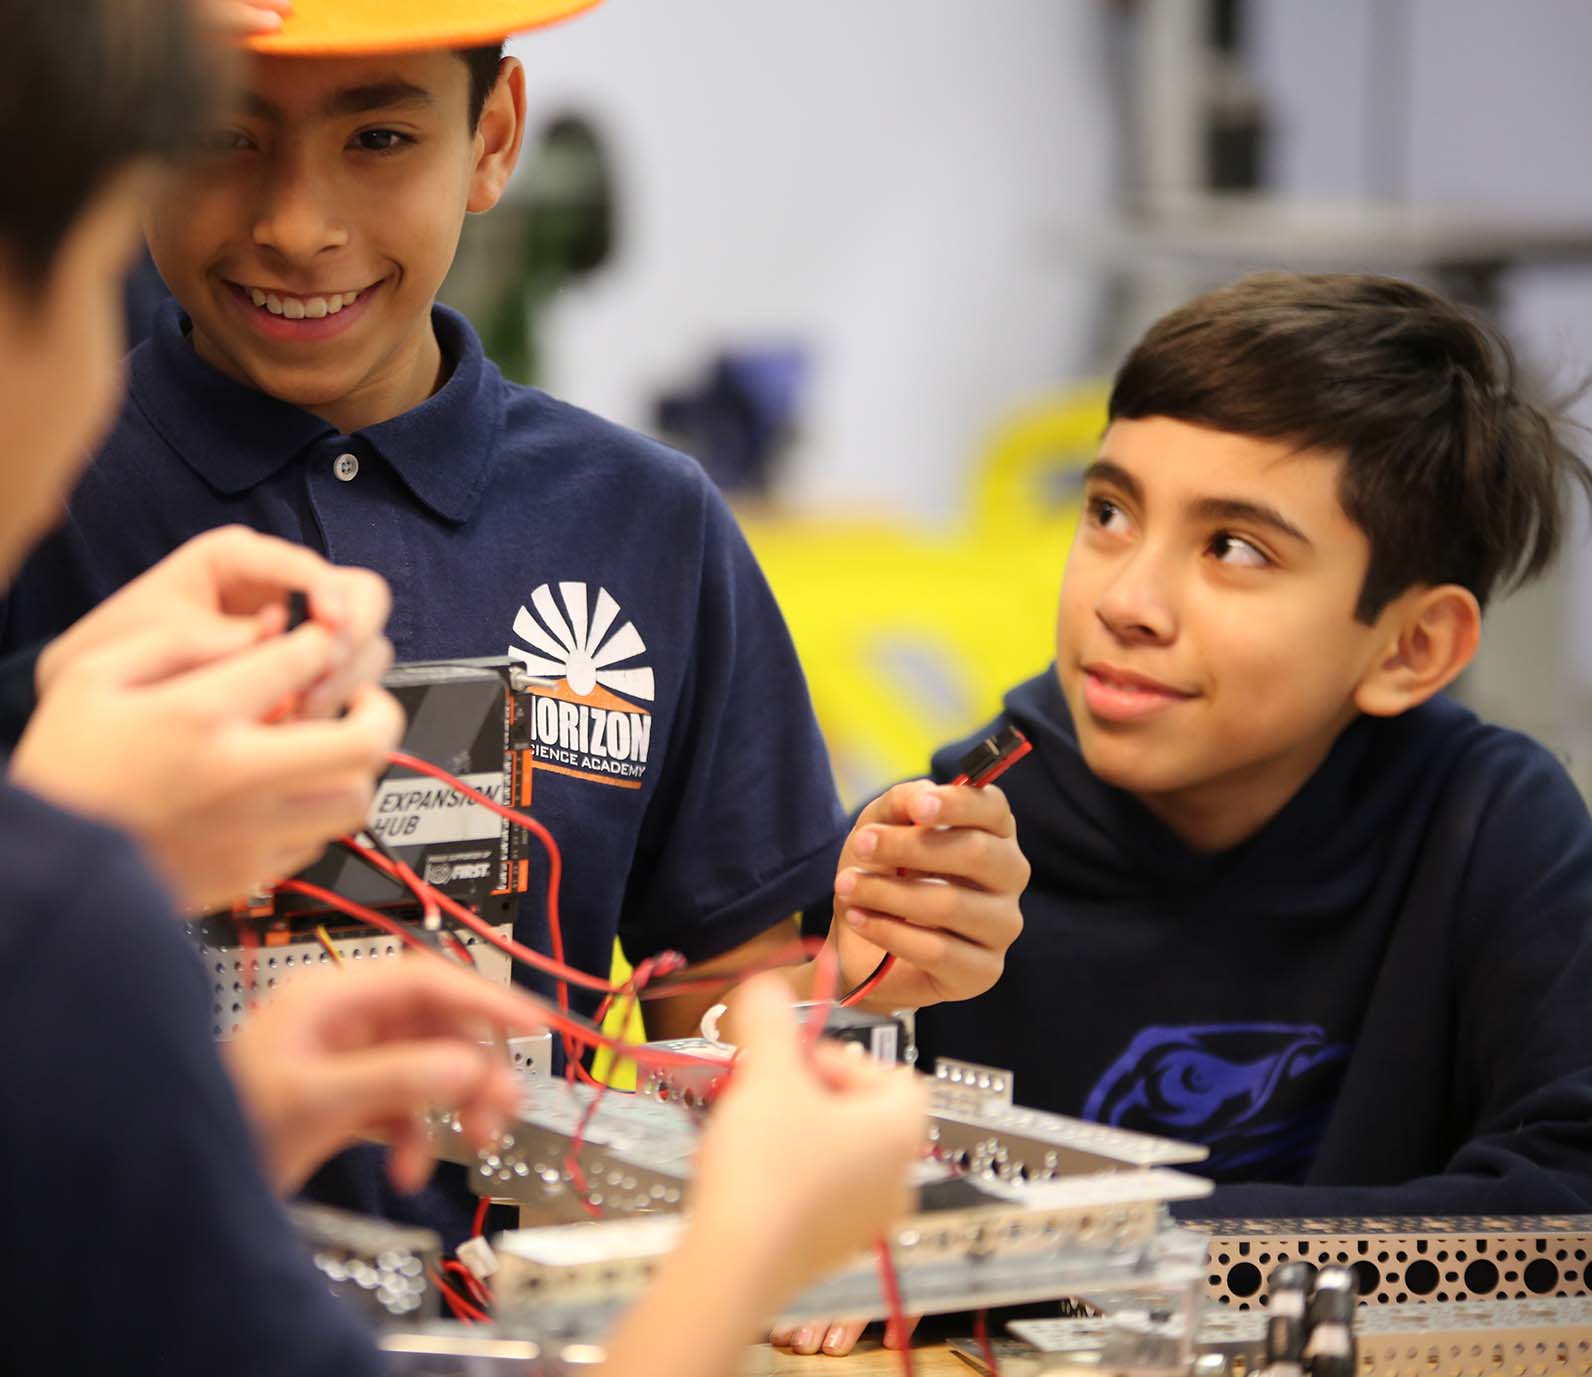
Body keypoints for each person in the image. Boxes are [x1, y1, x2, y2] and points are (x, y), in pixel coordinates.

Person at [0, 0, 1027, 1242]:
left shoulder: (646, 522)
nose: (297, 227)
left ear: (492, 140)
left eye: (378, 140)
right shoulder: (33, 475)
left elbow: (721, 1003)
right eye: (222, 135)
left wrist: (859, 975)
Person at [792, 266, 1592, 1357]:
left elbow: (1564, 1213)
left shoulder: (1490, 828)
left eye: (1232, 548)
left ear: (1409, 648)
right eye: (1108, 513)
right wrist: (834, 994)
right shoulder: (944, 856)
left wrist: (1033, 1249)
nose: (1124, 601)